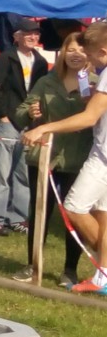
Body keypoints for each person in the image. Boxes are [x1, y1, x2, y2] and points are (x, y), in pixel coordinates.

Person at [22, 22, 107, 294]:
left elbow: (89, 118)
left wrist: (44, 127)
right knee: (101, 213)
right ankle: (102, 278)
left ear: (103, 51)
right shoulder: (52, 80)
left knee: (74, 207)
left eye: (89, 53)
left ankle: (102, 272)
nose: (86, 58)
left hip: (101, 156)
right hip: (99, 152)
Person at [0, 19, 49, 235]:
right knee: (0, 173)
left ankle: (18, 218)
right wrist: (1, 115)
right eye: (28, 33)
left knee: (23, 173)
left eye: (36, 34)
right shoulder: (5, 58)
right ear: (16, 36)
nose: (33, 37)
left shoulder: (40, 62)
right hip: (7, 122)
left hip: (29, 123)